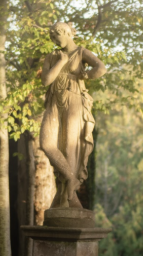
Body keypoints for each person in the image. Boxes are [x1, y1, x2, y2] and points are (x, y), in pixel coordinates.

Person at [39, 22, 106, 209]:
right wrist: (61, 62)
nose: (54, 40)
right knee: (46, 143)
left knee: (69, 148)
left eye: (56, 35)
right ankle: (70, 180)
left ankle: (66, 198)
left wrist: (87, 76)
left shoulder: (81, 52)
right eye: (52, 37)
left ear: (67, 33)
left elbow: (101, 68)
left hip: (74, 101)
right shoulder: (52, 56)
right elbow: (46, 80)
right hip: (54, 101)